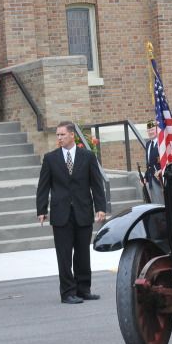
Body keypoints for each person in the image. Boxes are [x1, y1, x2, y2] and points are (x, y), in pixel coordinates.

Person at [36, 122, 107, 304]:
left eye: (62, 134)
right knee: (64, 254)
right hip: (61, 214)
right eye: (57, 135)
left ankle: (83, 289)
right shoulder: (50, 159)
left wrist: (100, 207)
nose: (59, 138)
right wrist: (42, 209)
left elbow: (96, 184)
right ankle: (67, 292)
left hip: (83, 211)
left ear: (72, 135)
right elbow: (43, 186)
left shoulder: (88, 156)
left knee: (83, 253)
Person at [142, 120, 164, 205]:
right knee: (154, 204)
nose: (150, 132)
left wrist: (161, 171)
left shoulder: (161, 143)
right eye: (148, 130)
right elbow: (149, 163)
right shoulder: (148, 144)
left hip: (160, 178)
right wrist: (145, 177)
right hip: (151, 179)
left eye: (152, 129)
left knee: (161, 204)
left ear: (157, 129)